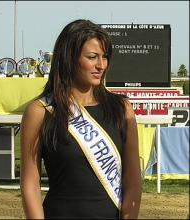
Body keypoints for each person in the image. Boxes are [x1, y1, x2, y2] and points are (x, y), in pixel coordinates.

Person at [20, 19, 142, 219]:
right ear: (69, 58)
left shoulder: (122, 109)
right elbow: (30, 184)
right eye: (92, 57)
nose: (101, 65)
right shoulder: (40, 111)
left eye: (105, 57)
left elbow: (133, 180)